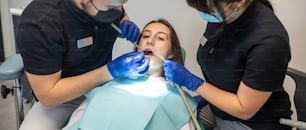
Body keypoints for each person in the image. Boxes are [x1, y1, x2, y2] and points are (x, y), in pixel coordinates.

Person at [17, 0, 149, 129]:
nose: (116, 13)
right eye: (110, 10)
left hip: (105, 88)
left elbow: (118, 12)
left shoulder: (107, 5)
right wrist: (109, 71)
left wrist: (124, 20)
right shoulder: (40, 22)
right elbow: (48, 94)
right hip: (62, 97)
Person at [162, 0, 292, 129]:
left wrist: (194, 83)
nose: (202, 13)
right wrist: (208, 96)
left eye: (207, 7)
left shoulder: (269, 41)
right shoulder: (223, 16)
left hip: (251, 123)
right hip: (217, 110)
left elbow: (244, 109)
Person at [61, 19, 197, 130]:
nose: (150, 41)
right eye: (146, 36)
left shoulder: (178, 101)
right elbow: (79, 120)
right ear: (138, 46)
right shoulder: (111, 83)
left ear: (171, 53)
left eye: (160, 38)